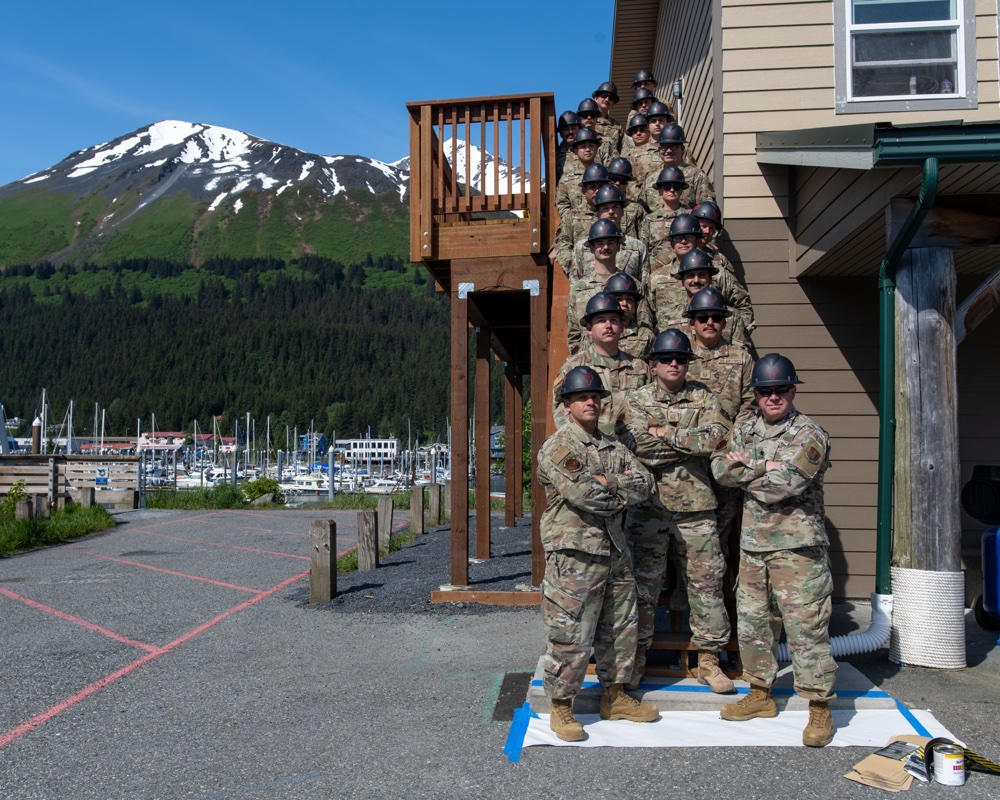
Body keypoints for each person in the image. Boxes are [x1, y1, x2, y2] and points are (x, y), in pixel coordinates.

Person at [711, 354, 836, 748]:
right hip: (753, 545)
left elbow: (784, 486)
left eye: (780, 389)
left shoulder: (810, 434)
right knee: (752, 623)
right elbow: (719, 468)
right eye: (765, 391)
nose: (773, 397)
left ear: (792, 391)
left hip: (797, 548)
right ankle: (760, 694)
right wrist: (763, 466)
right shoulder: (744, 428)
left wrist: (748, 467)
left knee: (805, 628)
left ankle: (819, 707)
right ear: (757, 395)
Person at [538, 365, 658, 742]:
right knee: (570, 633)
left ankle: (616, 696)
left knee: (620, 629)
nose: (590, 402)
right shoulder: (559, 447)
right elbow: (587, 496)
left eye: (595, 397)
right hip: (575, 556)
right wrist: (616, 488)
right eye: (582, 397)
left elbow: (647, 484)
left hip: (614, 552)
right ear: (567, 405)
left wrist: (613, 482)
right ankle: (561, 707)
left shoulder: (612, 446)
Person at [624, 329, 733, 692]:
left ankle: (710, 660)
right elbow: (636, 447)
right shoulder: (636, 400)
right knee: (642, 587)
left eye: (681, 359)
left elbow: (718, 438)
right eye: (667, 359)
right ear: (653, 364)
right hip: (649, 509)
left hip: (697, 507)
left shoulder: (703, 397)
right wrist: (689, 442)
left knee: (706, 586)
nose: (674, 364)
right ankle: (636, 657)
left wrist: (665, 433)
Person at [552, 293, 650, 439]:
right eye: (601, 320)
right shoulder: (574, 366)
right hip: (593, 451)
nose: (608, 326)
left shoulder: (640, 368)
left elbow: (651, 408)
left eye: (613, 320)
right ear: (589, 329)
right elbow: (561, 411)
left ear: (622, 326)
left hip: (633, 450)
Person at [569, 184, 649, 284]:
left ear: (622, 212)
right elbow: (575, 285)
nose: (611, 212)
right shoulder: (582, 247)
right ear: (597, 213)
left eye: (615, 207)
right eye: (605, 208)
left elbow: (644, 287)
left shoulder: (637, 247)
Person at [640, 123, 715, 211]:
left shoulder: (697, 176)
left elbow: (707, 209)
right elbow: (643, 211)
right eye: (664, 146)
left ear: (682, 149)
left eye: (674, 146)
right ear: (659, 150)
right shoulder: (650, 178)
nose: (668, 151)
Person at [639, 166, 691, 264]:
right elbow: (644, 250)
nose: (672, 190)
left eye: (676, 186)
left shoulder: (690, 216)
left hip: (685, 266)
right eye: (667, 186)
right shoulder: (650, 219)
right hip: (656, 270)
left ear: (681, 191)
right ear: (660, 190)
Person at [605, 272, 655, 359]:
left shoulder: (645, 335)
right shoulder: (598, 333)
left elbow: (653, 367)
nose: (624, 303)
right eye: (619, 299)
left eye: (629, 299)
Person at [556, 129, 603, 219]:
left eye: (591, 146)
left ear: (597, 148)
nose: (588, 149)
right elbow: (562, 204)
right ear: (575, 151)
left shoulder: (604, 175)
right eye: (583, 146)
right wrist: (574, 221)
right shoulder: (566, 179)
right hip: (577, 228)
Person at [591, 81, 624, 157]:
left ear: (613, 104)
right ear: (596, 98)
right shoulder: (587, 121)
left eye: (611, 98)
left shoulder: (617, 127)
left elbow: (623, 150)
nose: (607, 99)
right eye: (604, 96)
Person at [555, 110, 581, 184]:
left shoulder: (590, 149)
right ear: (560, 133)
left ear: (579, 129)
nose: (570, 132)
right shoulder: (555, 156)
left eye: (573, 128)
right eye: (566, 129)